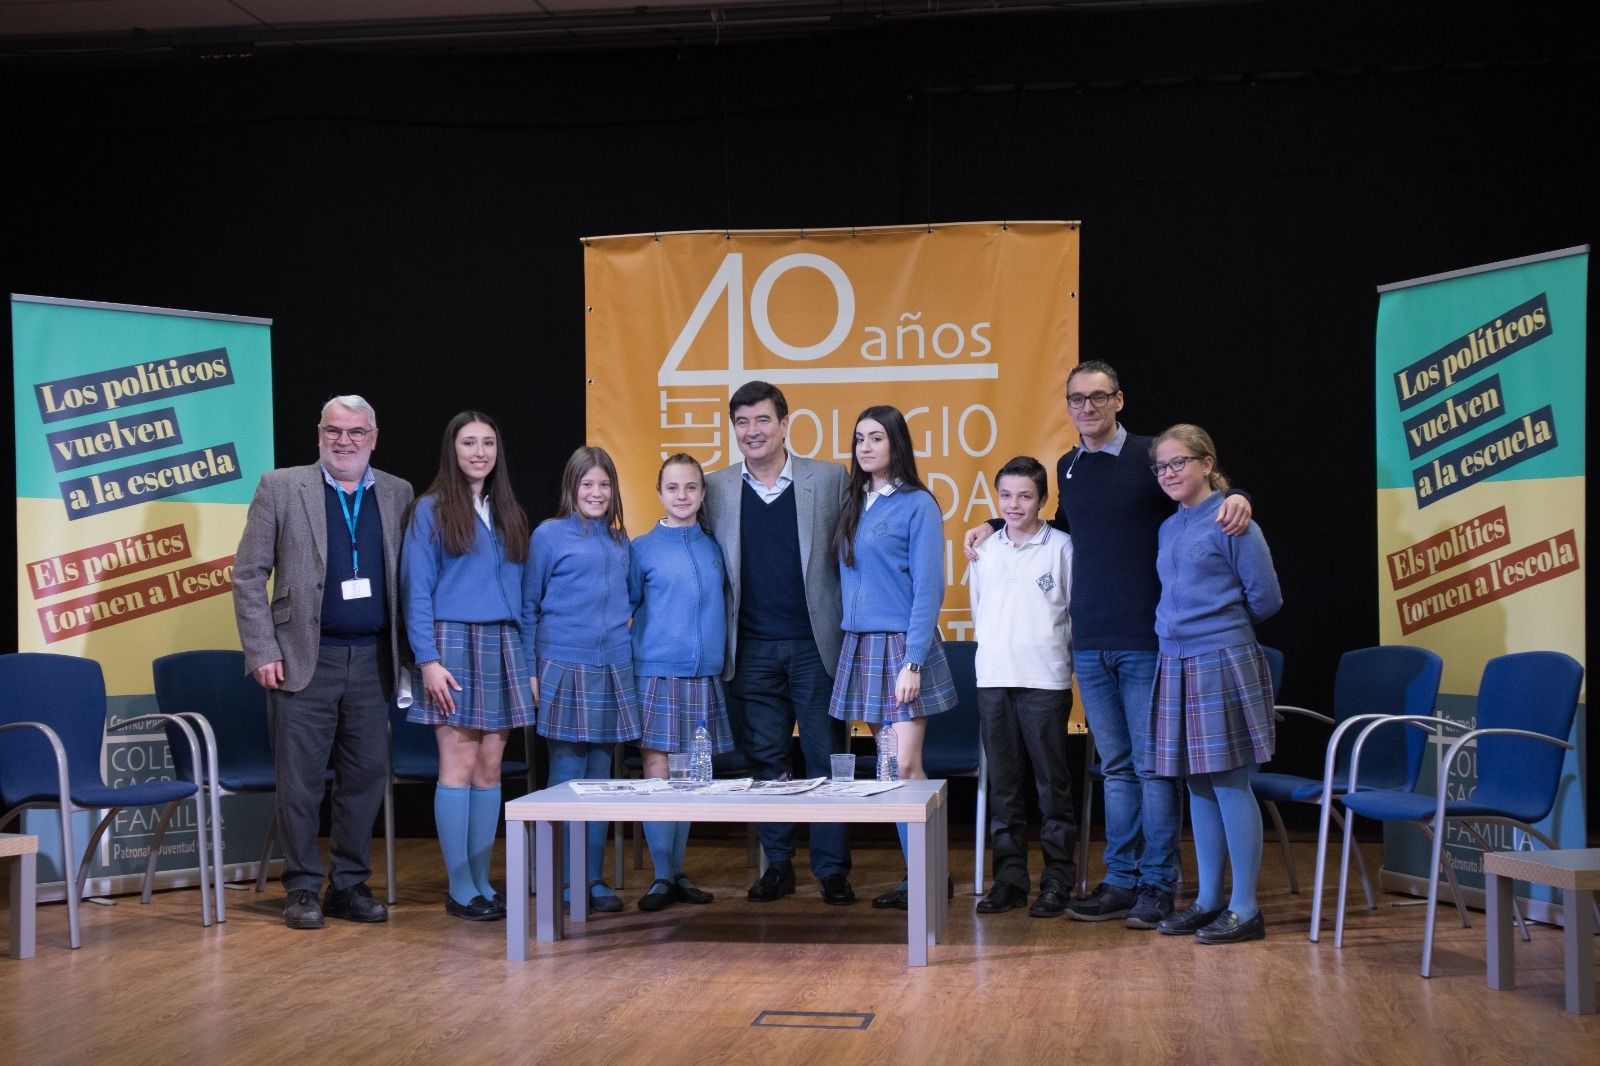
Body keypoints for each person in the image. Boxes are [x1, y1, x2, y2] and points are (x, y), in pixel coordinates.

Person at [963, 360, 1252, 929]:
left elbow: (1198, 489)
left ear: (1119, 400)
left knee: (1152, 768)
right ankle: (1120, 880)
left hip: (1145, 639)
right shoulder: (1068, 466)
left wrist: (1239, 495)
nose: (1087, 407)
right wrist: (997, 526)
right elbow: (1063, 530)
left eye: (1098, 397)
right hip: (1090, 643)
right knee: (1117, 767)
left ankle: (1156, 884)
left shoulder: (1148, 456)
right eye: (1076, 398)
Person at [233, 394, 413, 930]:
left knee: (364, 780)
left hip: (375, 660)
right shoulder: (280, 487)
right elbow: (247, 574)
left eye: (356, 432)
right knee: (300, 783)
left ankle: (349, 886)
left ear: (373, 438)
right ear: (319, 434)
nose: (344, 441)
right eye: (334, 430)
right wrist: (262, 649)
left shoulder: (399, 493)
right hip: (302, 658)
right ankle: (302, 888)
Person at [703, 381, 855, 906]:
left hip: (816, 645)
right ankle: (778, 866)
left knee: (826, 757)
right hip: (751, 648)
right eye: (742, 422)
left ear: (785, 424)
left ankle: (832, 870)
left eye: (763, 420)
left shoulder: (829, 479)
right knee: (767, 761)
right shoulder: (715, 487)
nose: (753, 431)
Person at [1145, 425, 1281, 943]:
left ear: (1206, 463)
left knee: (1228, 782)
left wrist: (1220, 628)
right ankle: (1207, 900)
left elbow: (1266, 598)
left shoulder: (1232, 519)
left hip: (1221, 658)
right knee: (1197, 783)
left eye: (1178, 462)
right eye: (1161, 466)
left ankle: (1245, 908)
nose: (1169, 473)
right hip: (1175, 660)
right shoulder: (1168, 527)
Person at [401, 411, 534, 922]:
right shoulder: (430, 510)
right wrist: (428, 660)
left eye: (488, 443)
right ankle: (460, 888)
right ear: (451, 450)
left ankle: (481, 881)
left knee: (490, 767)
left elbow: (523, 597)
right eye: (469, 443)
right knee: (457, 766)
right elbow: (416, 590)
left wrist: (527, 659)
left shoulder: (508, 512)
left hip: (503, 643)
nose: (479, 452)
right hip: (452, 643)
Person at [829, 405, 958, 910]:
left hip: (903, 647)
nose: (865, 447)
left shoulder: (917, 504)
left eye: (876, 437)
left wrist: (913, 661)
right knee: (887, 767)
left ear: (896, 444)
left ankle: (929, 876)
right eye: (859, 438)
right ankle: (919, 876)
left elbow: (929, 589)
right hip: (861, 645)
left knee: (906, 766)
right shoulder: (854, 501)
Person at [528, 445, 639, 913]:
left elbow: (631, 599)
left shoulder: (620, 541)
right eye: (587, 484)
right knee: (567, 776)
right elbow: (529, 606)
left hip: (612, 667)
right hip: (562, 666)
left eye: (604, 484)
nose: (596, 492)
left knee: (601, 780)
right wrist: (532, 669)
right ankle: (561, 879)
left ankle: (591, 878)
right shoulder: (549, 535)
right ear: (571, 488)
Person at [968, 456, 1078, 918]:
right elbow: (979, 610)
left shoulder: (1063, 548)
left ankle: (1057, 879)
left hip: (1045, 680)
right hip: (994, 679)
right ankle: (1010, 880)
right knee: (1004, 787)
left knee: (1052, 786)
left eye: (1026, 496)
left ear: (1043, 500)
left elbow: (1072, 612)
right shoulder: (984, 549)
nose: (1014, 505)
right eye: (1006, 495)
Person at [627, 454, 733, 911]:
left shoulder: (715, 548)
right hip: (655, 672)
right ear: (659, 493)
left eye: (691, 487)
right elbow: (625, 607)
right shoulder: (642, 549)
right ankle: (661, 875)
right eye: (672, 488)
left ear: (703, 493)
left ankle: (677, 870)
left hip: (702, 674)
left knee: (690, 776)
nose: (682, 496)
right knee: (658, 770)